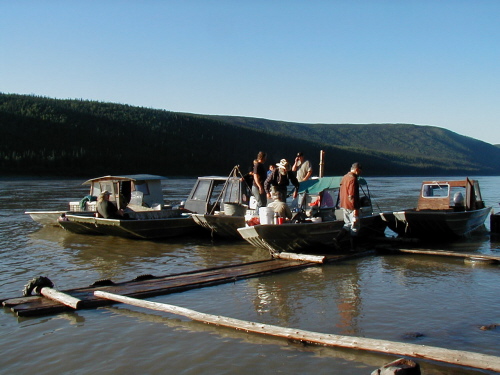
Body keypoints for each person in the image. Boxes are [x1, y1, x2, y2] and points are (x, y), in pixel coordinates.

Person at [336, 162, 363, 250]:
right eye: (360, 171)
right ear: (356, 170)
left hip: (344, 204)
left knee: (347, 224)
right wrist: (355, 209)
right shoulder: (353, 179)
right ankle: (353, 248)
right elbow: (351, 195)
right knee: (355, 227)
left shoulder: (344, 177)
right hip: (351, 206)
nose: (360, 173)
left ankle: (336, 239)